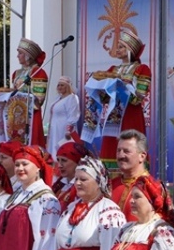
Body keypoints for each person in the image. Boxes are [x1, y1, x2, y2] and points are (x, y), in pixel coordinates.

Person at [87, 30, 151, 170]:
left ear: (130, 50)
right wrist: (98, 88)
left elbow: (138, 97)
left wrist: (122, 86)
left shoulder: (142, 69)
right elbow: (105, 97)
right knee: (111, 145)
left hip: (131, 115)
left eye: (121, 47)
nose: (117, 50)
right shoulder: (112, 69)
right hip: (113, 115)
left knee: (130, 143)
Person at [11, 38, 48, 147]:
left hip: (31, 115)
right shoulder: (16, 73)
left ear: (28, 56)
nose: (17, 56)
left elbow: (39, 99)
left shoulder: (38, 72)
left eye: (20, 53)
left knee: (31, 143)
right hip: (16, 113)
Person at [110, 129, 153, 221]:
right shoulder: (110, 185)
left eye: (126, 151)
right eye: (118, 151)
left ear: (142, 156)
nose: (120, 156)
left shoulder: (153, 189)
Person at [47, 76, 80, 157]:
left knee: (63, 147)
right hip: (55, 128)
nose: (59, 87)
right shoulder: (58, 98)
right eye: (58, 85)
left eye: (62, 85)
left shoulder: (72, 98)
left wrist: (68, 130)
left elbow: (73, 115)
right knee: (54, 146)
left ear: (68, 86)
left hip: (63, 128)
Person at [51, 141, 89, 210]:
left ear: (78, 162)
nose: (59, 165)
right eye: (58, 160)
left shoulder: (84, 188)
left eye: (64, 160)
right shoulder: (59, 185)